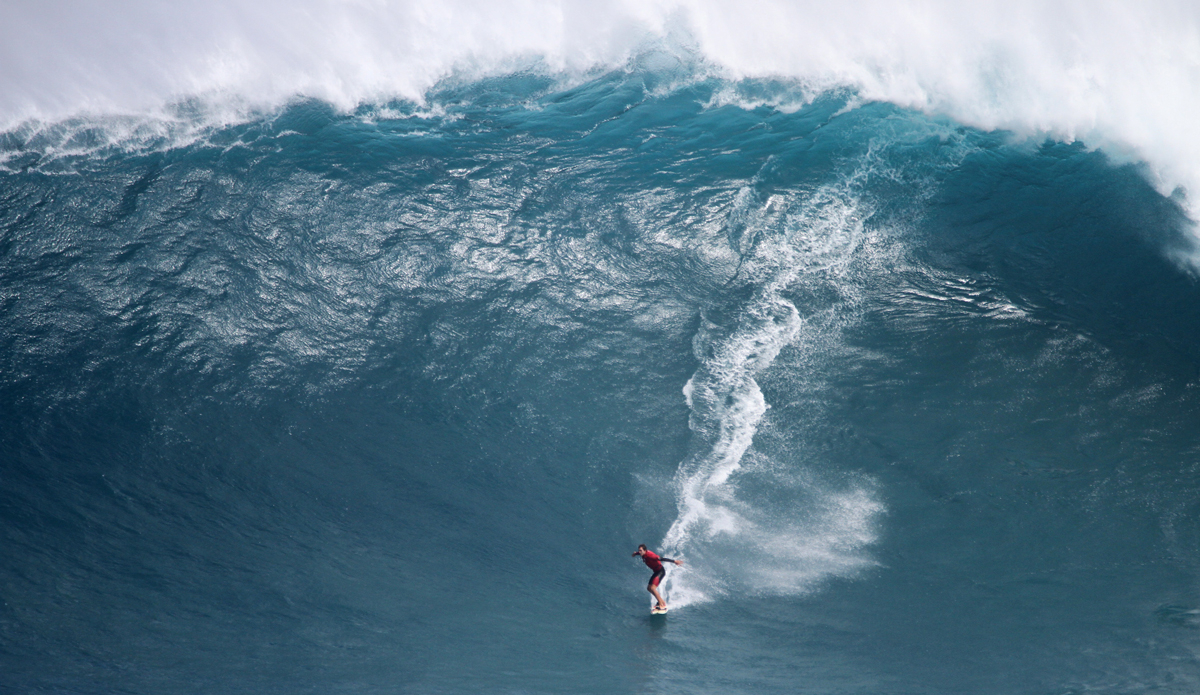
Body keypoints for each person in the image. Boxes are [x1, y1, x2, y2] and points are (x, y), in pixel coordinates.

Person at [633, 544, 683, 610]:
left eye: (640, 550)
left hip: (660, 571)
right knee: (649, 588)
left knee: (653, 588)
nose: (639, 552)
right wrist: (635, 553)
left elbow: (662, 558)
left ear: (645, 550)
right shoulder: (643, 554)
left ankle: (661, 604)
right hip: (656, 572)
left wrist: (674, 561)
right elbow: (640, 553)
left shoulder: (651, 555)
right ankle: (661, 601)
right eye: (639, 550)